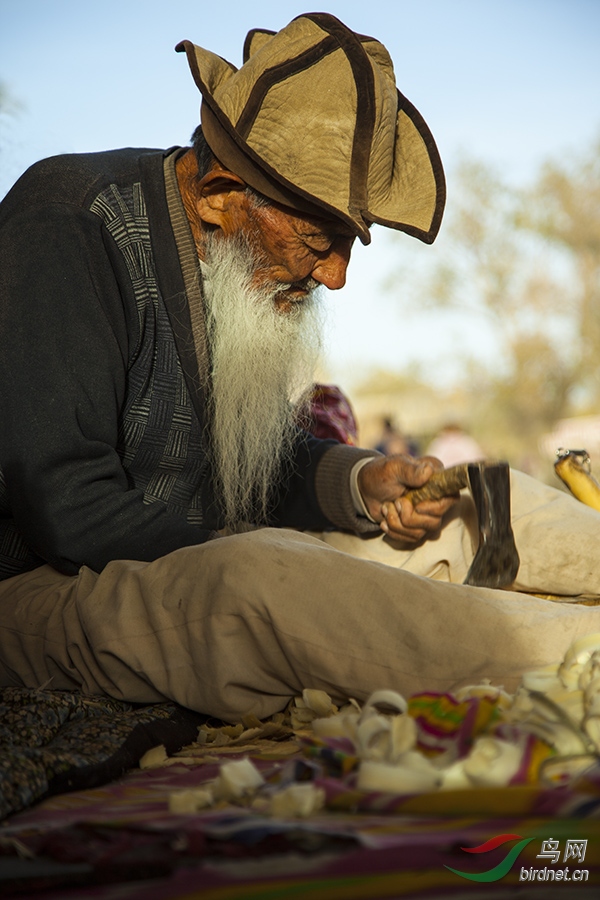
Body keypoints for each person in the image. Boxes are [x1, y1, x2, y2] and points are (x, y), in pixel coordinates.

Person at [1, 13, 599, 723]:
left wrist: (360, 482)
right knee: (272, 578)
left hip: (212, 559)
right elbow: (69, 507)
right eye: (318, 241)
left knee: (472, 498)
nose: (336, 277)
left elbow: (249, 472)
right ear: (222, 196)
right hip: (47, 589)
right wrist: (274, 551)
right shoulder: (68, 223)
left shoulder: (231, 267)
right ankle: (579, 655)